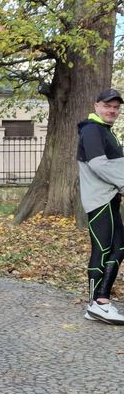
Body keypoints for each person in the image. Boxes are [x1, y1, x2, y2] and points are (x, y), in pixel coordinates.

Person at [77, 88, 124, 325]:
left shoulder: (104, 131)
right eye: (108, 106)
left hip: (110, 198)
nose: (112, 110)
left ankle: (101, 301)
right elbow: (99, 165)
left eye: (116, 107)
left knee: (119, 248)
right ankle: (96, 303)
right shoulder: (92, 130)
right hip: (99, 200)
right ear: (96, 106)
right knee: (103, 249)